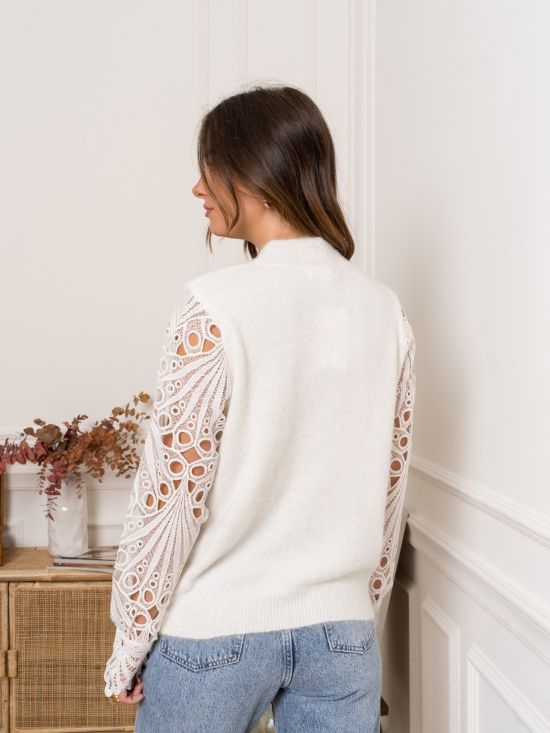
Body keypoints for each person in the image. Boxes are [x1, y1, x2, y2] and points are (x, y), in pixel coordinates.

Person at [103, 83, 416, 733]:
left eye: (209, 170)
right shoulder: (384, 311)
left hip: (214, 634)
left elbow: (172, 494)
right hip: (342, 636)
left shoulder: (213, 305)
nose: (198, 189)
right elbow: (389, 495)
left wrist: (130, 642)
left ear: (251, 176)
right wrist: (361, 620)